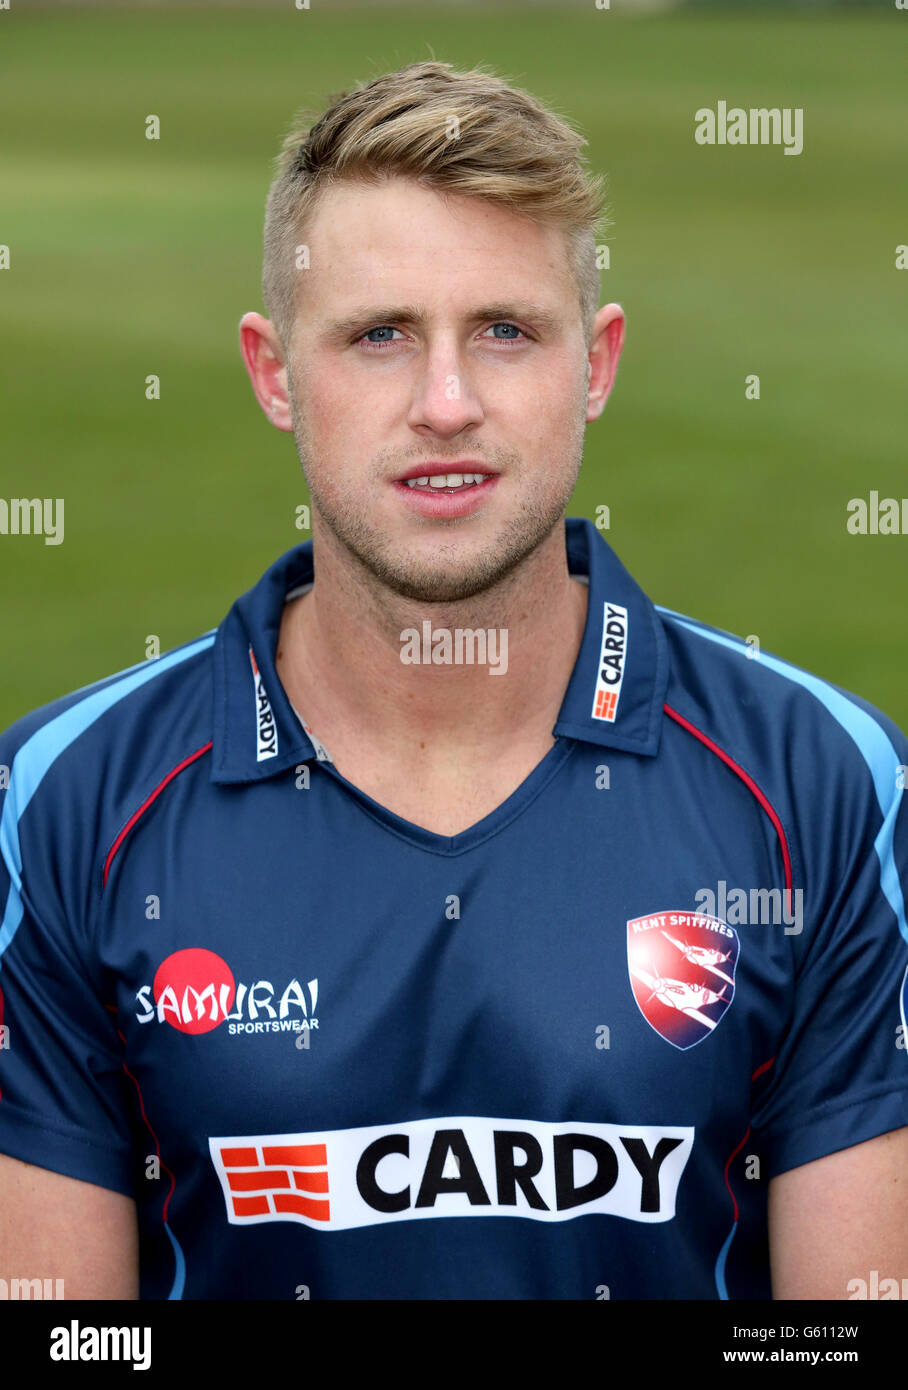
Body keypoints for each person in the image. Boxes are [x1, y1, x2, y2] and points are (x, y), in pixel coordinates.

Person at [0, 60, 905, 1302]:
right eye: (378, 336)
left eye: (505, 332)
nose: (445, 404)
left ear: (596, 363)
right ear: (274, 373)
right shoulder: (59, 801)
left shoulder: (822, 782)